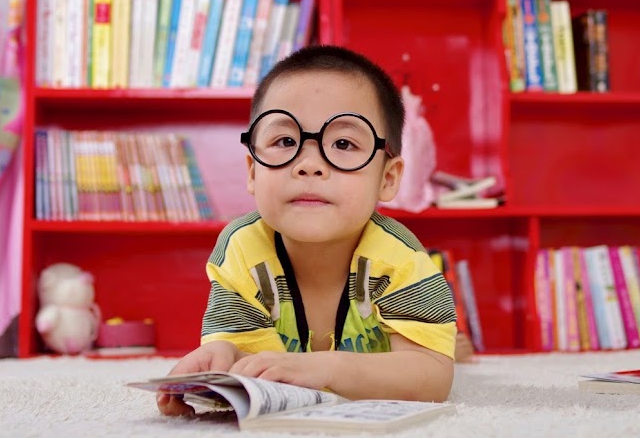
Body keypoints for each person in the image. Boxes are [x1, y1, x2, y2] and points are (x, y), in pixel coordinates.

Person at [158, 45, 456, 416]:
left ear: (388, 178)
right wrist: (226, 357)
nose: (310, 165)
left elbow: (433, 376)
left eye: (344, 143)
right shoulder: (241, 249)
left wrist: (325, 367)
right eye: (285, 142)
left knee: (446, 346)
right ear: (253, 171)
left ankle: (456, 338)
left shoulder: (401, 258)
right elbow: (251, 359)